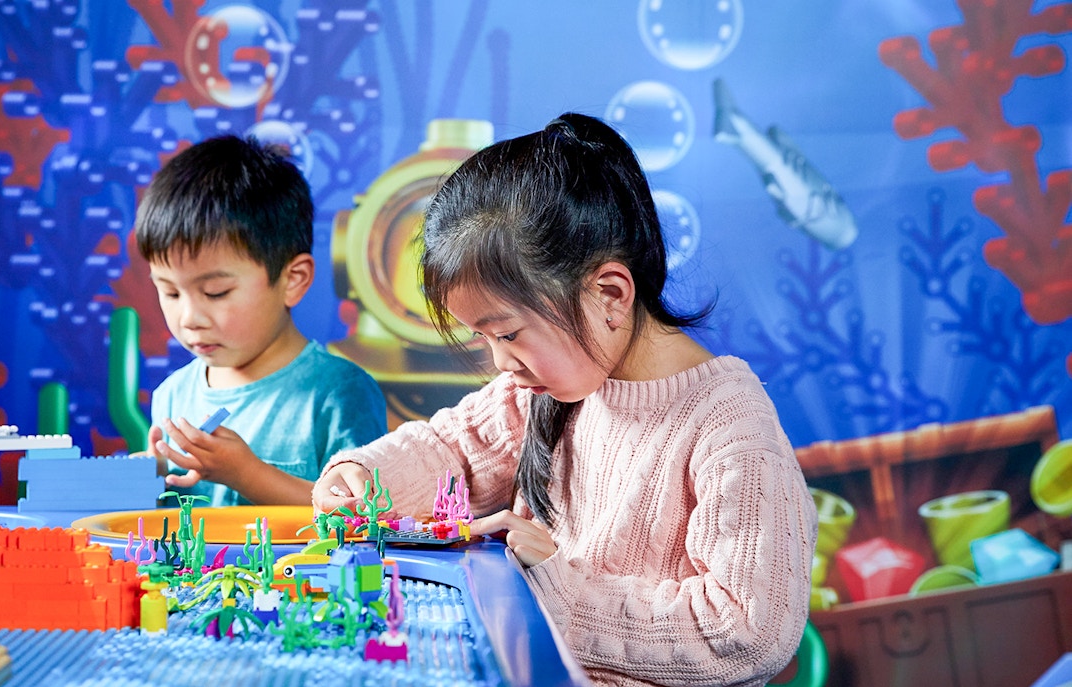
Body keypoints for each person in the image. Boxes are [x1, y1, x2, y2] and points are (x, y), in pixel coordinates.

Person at [313, 113, 818, 686]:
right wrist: (365, 477)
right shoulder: (541, 394)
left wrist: (555, 586)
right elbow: (452, 450)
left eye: (506, 333)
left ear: (609, 295)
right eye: (482, 338)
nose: (499, 362)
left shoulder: (728, 422)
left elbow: (748, 631)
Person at [135, 134, 387, 507]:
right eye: (170, 292)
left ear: (292, 280)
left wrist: (247, 474)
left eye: (216, 292)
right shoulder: (172, 395)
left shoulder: (339, 394)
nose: (188, 318)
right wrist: (147, 477)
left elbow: (364, 515)